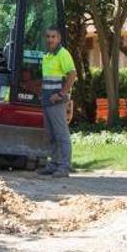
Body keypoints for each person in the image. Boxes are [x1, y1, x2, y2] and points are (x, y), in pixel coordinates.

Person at [37, 25, 76, 177]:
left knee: (61, 135)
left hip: (57, 101)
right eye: (48, 37)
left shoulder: (63, 54)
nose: (50, 39)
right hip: (47, 100)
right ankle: (54, 164)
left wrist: (61, 94)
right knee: (51, 135)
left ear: (59, 38)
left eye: (53, 37)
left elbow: (72, 74)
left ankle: (64, 167)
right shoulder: (47, 55)